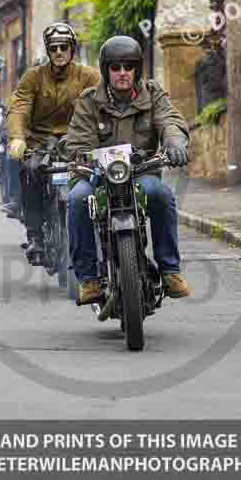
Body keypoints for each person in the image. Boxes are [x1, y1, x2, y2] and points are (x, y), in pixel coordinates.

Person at [66, 35, 191, 305]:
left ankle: (170, 271)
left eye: (128, 66)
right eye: (115, 67)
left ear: (137, 69)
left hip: (140, 173)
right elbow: (77, 141)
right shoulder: (88, 101)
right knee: (77, 199)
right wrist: (84, 157)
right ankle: (88, 279)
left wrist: (174, 141)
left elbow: (169, 120)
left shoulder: (153, 93)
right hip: (97, 176)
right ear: (105, 70)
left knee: (161, 195)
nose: (122, 73)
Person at [6, 23, 99, 262]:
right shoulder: (33, 77)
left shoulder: (89, 76)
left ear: (72, 49)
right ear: (48, 50)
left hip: (77, 141)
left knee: (98, 174)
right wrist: (17, 137)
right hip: (40, 142)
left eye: (64, 47)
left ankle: (101, 229)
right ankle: (35, 236)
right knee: (30, 171)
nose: (59, 52)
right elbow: (19, 107)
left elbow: (103, 106)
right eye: (54, 47)